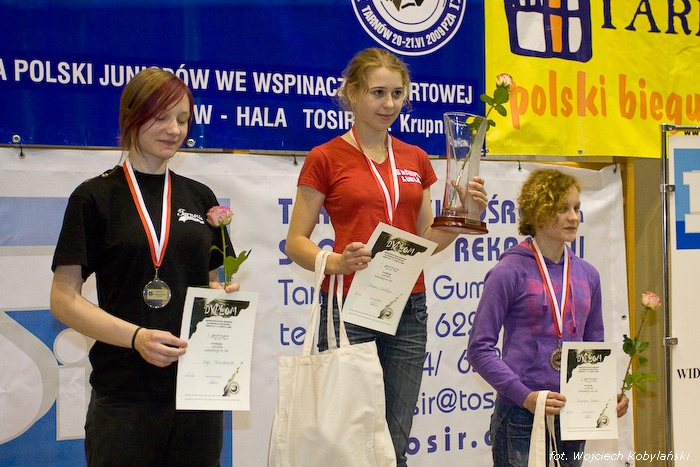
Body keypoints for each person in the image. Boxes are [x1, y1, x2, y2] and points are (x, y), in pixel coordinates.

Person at [285, 47, 488, 466]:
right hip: (348, 304)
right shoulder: (325, 157)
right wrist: (337, 261)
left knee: (394, 440)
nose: (389, 104)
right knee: (347, 438)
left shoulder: (415, 158)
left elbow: (428, 239)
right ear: (353, 93)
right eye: (378, 93)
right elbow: (296, 242)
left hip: (408, 306)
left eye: (397, 94)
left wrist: (465, 215)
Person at [50, 67, 240, 467]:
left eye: (183, 119)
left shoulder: (200, 197)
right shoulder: (94, 197)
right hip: (125, 397)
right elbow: (63, 300)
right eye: (161, 116)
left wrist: (220, 297)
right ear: (131, 116)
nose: (174, 129)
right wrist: (136, 337)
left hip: (196, 394)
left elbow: (210, 284)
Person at [466, 169, 628, 467]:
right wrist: (525, 396)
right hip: (520, 414)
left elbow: (592, 348)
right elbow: (479, 350)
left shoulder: (587, 275)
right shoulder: (508, 272)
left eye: (577, 208)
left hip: (574, 413)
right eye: (562, 208)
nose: (574, 217)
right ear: (538, 212)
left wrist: (604, 396)